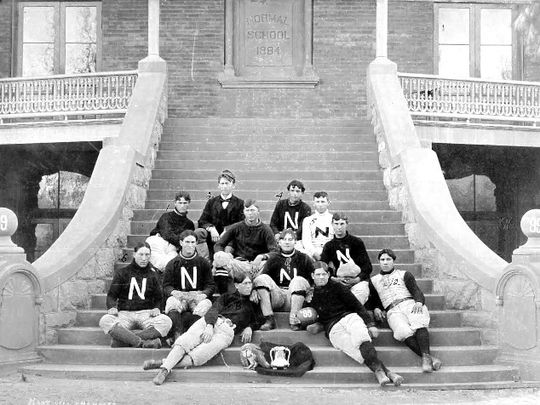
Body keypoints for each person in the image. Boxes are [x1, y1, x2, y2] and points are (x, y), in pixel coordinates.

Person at [142, 273, 264, 385]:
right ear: (237, 285)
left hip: (226, 333)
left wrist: (250, 327)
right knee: (184, 342)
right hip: (210, 322)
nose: (249, 286)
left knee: (199, 355)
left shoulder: (254, 303)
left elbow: (260, 320)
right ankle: (164, 371)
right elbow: (213, 310)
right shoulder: (227, 297)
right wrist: (210, 326)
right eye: (245, 283)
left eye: (250, 283)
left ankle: (162, 363)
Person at [308, 261, 403, 386]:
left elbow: (356, 305)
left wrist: (370, 324)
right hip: (333, 328)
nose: (321, 277)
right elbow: (308, 315)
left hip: (348, 317)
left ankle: (380, 372)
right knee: (356, 352)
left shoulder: (337, 286)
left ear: (328, 274)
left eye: (324, 274)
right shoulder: (310, 294)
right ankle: (388, 373)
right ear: (312, 276)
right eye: (318, 275)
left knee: (362, 339)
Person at [369, 248, 442, 373]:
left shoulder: (404, 274)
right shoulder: (374, 280)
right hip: (392, 310)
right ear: (378, 262)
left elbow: (415, 290)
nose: (385, 262)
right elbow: (375, 300)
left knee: (419, 321)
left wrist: (419, 302)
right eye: (382, 260)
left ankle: (425, 359)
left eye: (388, 259)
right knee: (402, 332)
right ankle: (431, 359)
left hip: (409, 303)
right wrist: (376, 308)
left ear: (393, 261)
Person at [98, 242, 172, 348]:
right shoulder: (122, 273)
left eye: (147, 255)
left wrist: (156, 308)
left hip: (146, 314)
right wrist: (112, 307)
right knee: (105, 320)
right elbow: (111, 296)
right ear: (134, 254)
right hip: (125, 313)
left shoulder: (153, 274)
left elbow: (159, 298)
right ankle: (142, 342)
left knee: (166, 321)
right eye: (141, 254)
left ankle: (122, 341)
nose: (144, 258)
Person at [252, 229, 315, 331]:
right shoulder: (273, 258)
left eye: (290, 239)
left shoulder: (304, 258)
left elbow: (314, 277)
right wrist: (254, 289)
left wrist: (310, 291)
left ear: (295, 242)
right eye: (284, 239)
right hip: (278, 296)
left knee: (298, 280)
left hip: (296, 297)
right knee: (261, 278)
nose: (287, 242)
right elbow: (263, 278)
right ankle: (269, 318)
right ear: (279, 242)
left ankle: (294, 319)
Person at [213, 199, 278, 292]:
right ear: (244, 212)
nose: (250, 213)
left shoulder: (266, 229)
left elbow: (275, 251)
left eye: (252, 210)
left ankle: (256, 290)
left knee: (269, 263)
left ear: (258, 212)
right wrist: (226, 255)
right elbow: (219, 244)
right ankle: (228, 296)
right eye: (247, 210)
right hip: (240, 264)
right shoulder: (236, 227)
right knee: (221, 259)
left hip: (257, 267)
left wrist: (261, 257)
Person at [162, 230, 216, 340]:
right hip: (180, 296)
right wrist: (174, 292)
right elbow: (166, 285)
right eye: (187, 242)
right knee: (171, 302)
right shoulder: (172, 263)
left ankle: (193, 335)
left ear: (196, 243)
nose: (190, 245)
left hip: (197, 296)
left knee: (206, 303)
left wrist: (204, 294)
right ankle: (178, 333)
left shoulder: (203, 262)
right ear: (181, 243)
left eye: (192, 242)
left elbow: (210, 285)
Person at [321, 212, 372, 304]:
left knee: (360, 292)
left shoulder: (357, 242)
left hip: (357, 280)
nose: (339, 227)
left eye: (342, 224)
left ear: (347, 224)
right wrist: (333, 278)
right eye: (336, 224)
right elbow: (322, 266)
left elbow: (367, 266)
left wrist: (357, 279)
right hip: (339, 281)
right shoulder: (329, 246)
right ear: (332, 224)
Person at [195, 169, 244, 259]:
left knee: (225, 255)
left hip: (230, 238)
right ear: (218, 185)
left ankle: (225, 263)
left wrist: (227, 230)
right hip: (213, 237)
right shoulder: (211, 202)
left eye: (227, 183)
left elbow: (242, 223)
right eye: (222, 183)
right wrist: (212, 229)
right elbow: (202, 220)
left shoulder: (240, 203)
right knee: (199, 232)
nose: (224, 186)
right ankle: (206, 262)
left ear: (233, 185)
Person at [146, 191, 195, 271]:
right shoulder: (166, 217)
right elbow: (167, 234)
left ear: (188, 203)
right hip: (159, 243)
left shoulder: (189, 224)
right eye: (180, 202)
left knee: (172, 262)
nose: (182, 205)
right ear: (175, 203)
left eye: (185, 203)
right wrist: (181, 241)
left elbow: (188, 239)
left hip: (173, 248)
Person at [300, 191, 334, 260]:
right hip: (313, 251)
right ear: (314, 204)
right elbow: (306, 241)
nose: (320, 204)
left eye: (323, 201)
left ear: (328, 203)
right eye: (317, 202)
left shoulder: (333, 219)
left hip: (329, 251)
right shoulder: (308, 220)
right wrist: (314, 253)